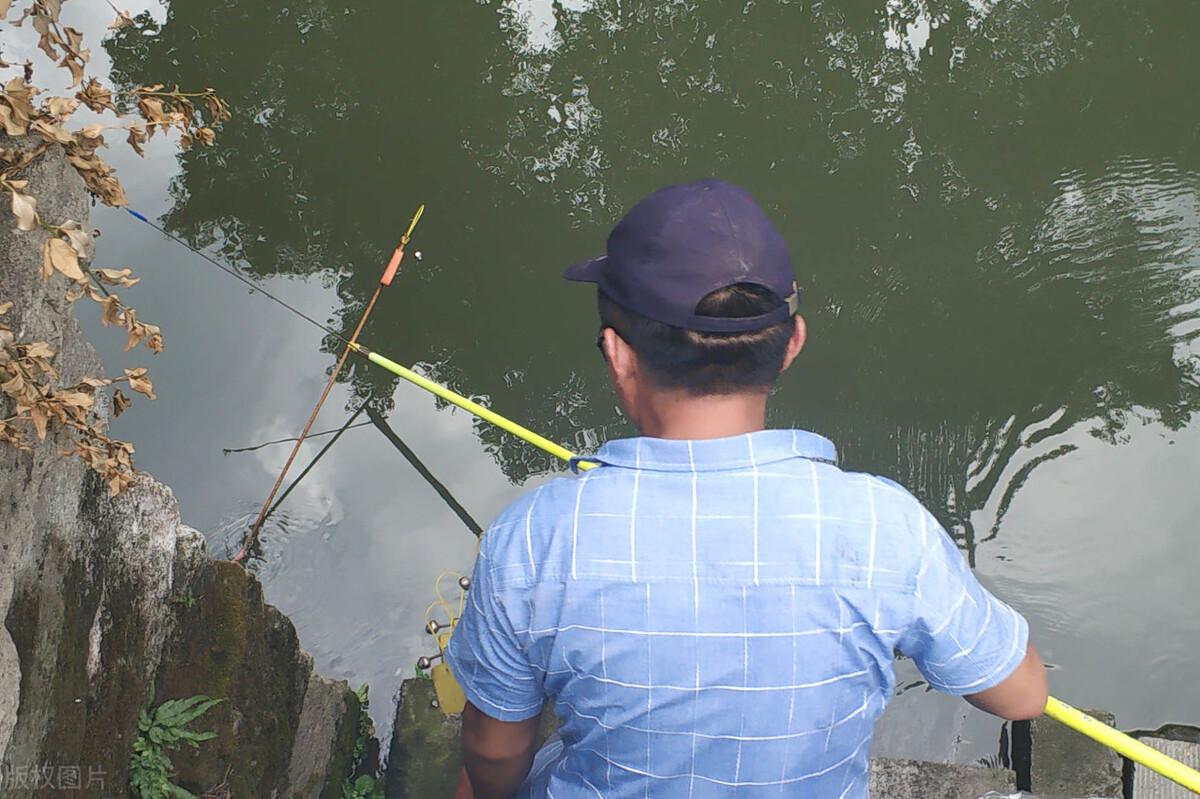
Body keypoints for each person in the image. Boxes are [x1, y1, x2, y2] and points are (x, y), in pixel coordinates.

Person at [445, 179, 1047, 798]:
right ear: (792, 344)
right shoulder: (882, 524)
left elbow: (494, 752)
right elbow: (1022, 696)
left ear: (618, 354)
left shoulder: (534, 536)